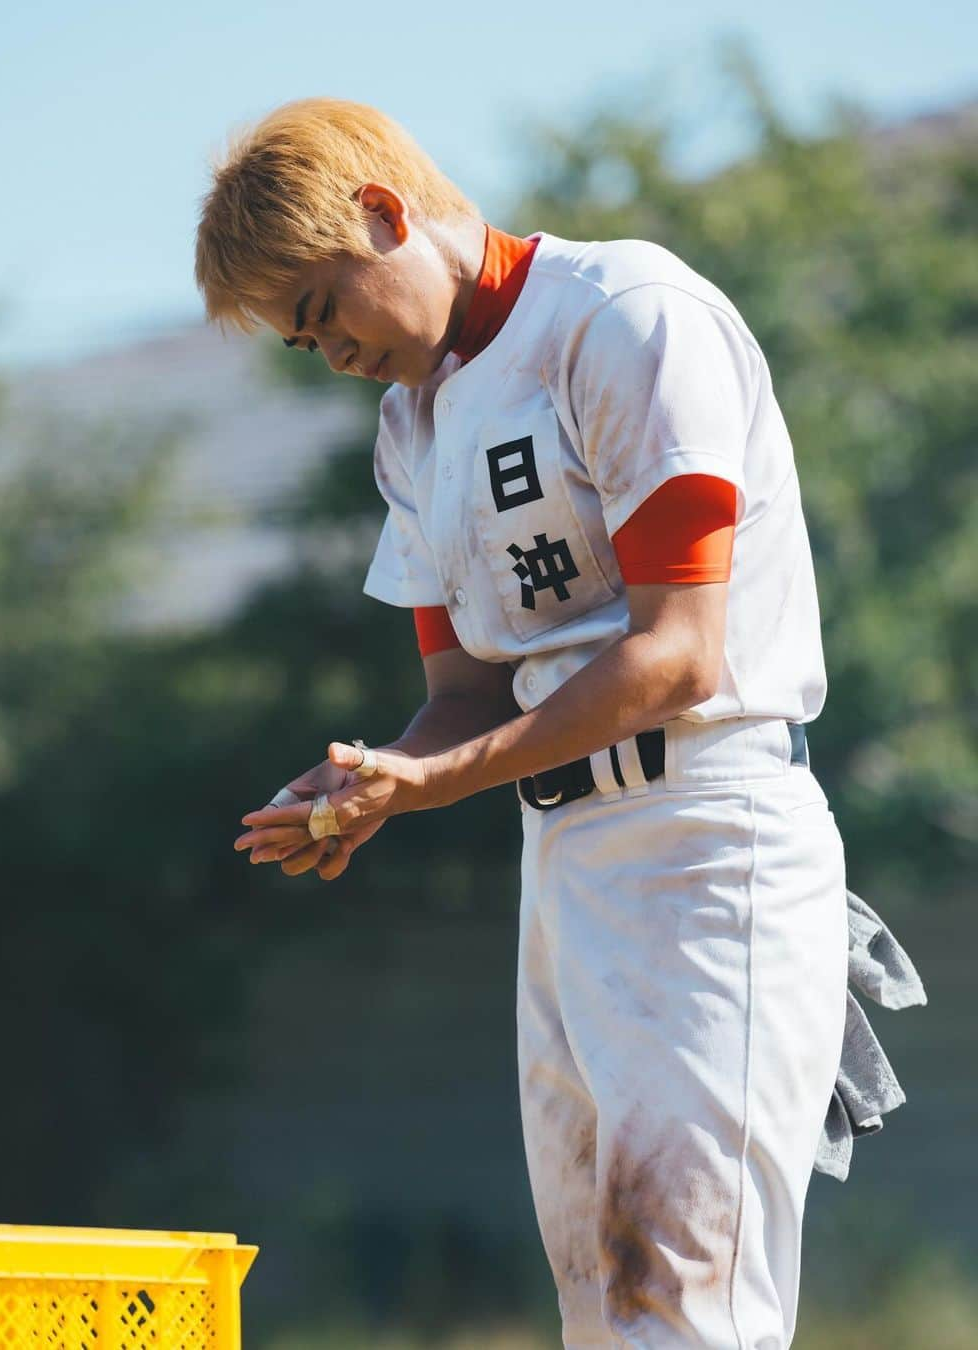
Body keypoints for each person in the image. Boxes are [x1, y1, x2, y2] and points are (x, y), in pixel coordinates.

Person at [197, 96, 851, 1348]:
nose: (328, 355)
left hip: (707, 833)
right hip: (566, 860)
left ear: (383, 216)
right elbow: (465, 698)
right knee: (605, 1306)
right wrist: (372, 781)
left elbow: (676, 656)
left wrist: (435, 787)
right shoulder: (414, 423)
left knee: (686, 1307)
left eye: (325, 309)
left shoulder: (622, 317)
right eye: (300, 342)